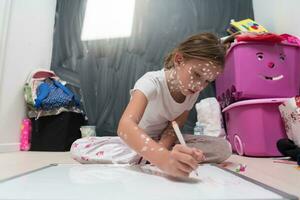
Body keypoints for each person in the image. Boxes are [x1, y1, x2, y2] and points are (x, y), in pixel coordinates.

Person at [71, 32, 232, 178]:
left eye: (207, 81)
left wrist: (164, 146)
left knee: (223, 147)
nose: (199, 86)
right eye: (196, 74)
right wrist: (162, 158)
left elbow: (175, 125)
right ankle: (154, 157)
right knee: (78, 146)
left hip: (162, 142)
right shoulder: (151, 82)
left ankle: (158, 157)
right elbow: (125, 126)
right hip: (137, 141)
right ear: (179, 60)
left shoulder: (192, 92)